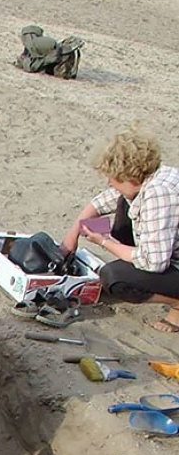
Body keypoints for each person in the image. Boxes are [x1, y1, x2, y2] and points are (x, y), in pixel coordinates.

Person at [61, 127, 179, 334]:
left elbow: (153, 262)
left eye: (113, 177)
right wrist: (72, 235)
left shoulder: (158, 194)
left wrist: (105, 242)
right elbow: (101, 202)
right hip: (166, 250)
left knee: (115, 277)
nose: (109, 182)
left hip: (160, 258)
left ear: (130, 177)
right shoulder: (155, 176)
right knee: (122, 206)